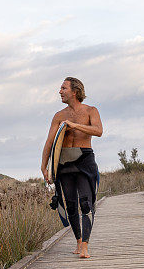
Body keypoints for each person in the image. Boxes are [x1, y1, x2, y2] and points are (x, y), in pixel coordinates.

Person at [41, 77, 103, 258]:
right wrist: (44, 167)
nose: (59, 91)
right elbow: (50, 142)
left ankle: (85, 245)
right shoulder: (58, 116)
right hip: (63, 161)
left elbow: (98, 131)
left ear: (74, 91)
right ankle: (78, 240)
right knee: (70, 204)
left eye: (63, 88)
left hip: (84, 159)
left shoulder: (91, 111)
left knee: (85, 202)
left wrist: (74, 125)